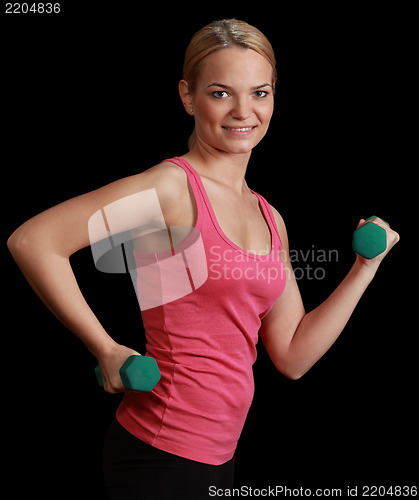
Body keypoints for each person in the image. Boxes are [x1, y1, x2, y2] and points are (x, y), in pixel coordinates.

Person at [7, 19, 399, 500]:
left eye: (259, 93)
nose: (243, 112)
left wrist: (365, 268)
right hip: (159, 451)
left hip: (219, 456)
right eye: (219, 93)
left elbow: (293, 356)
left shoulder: (269, 216)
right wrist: (106, 349)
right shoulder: (171, 190)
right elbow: (35, 241)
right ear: (187, 97)